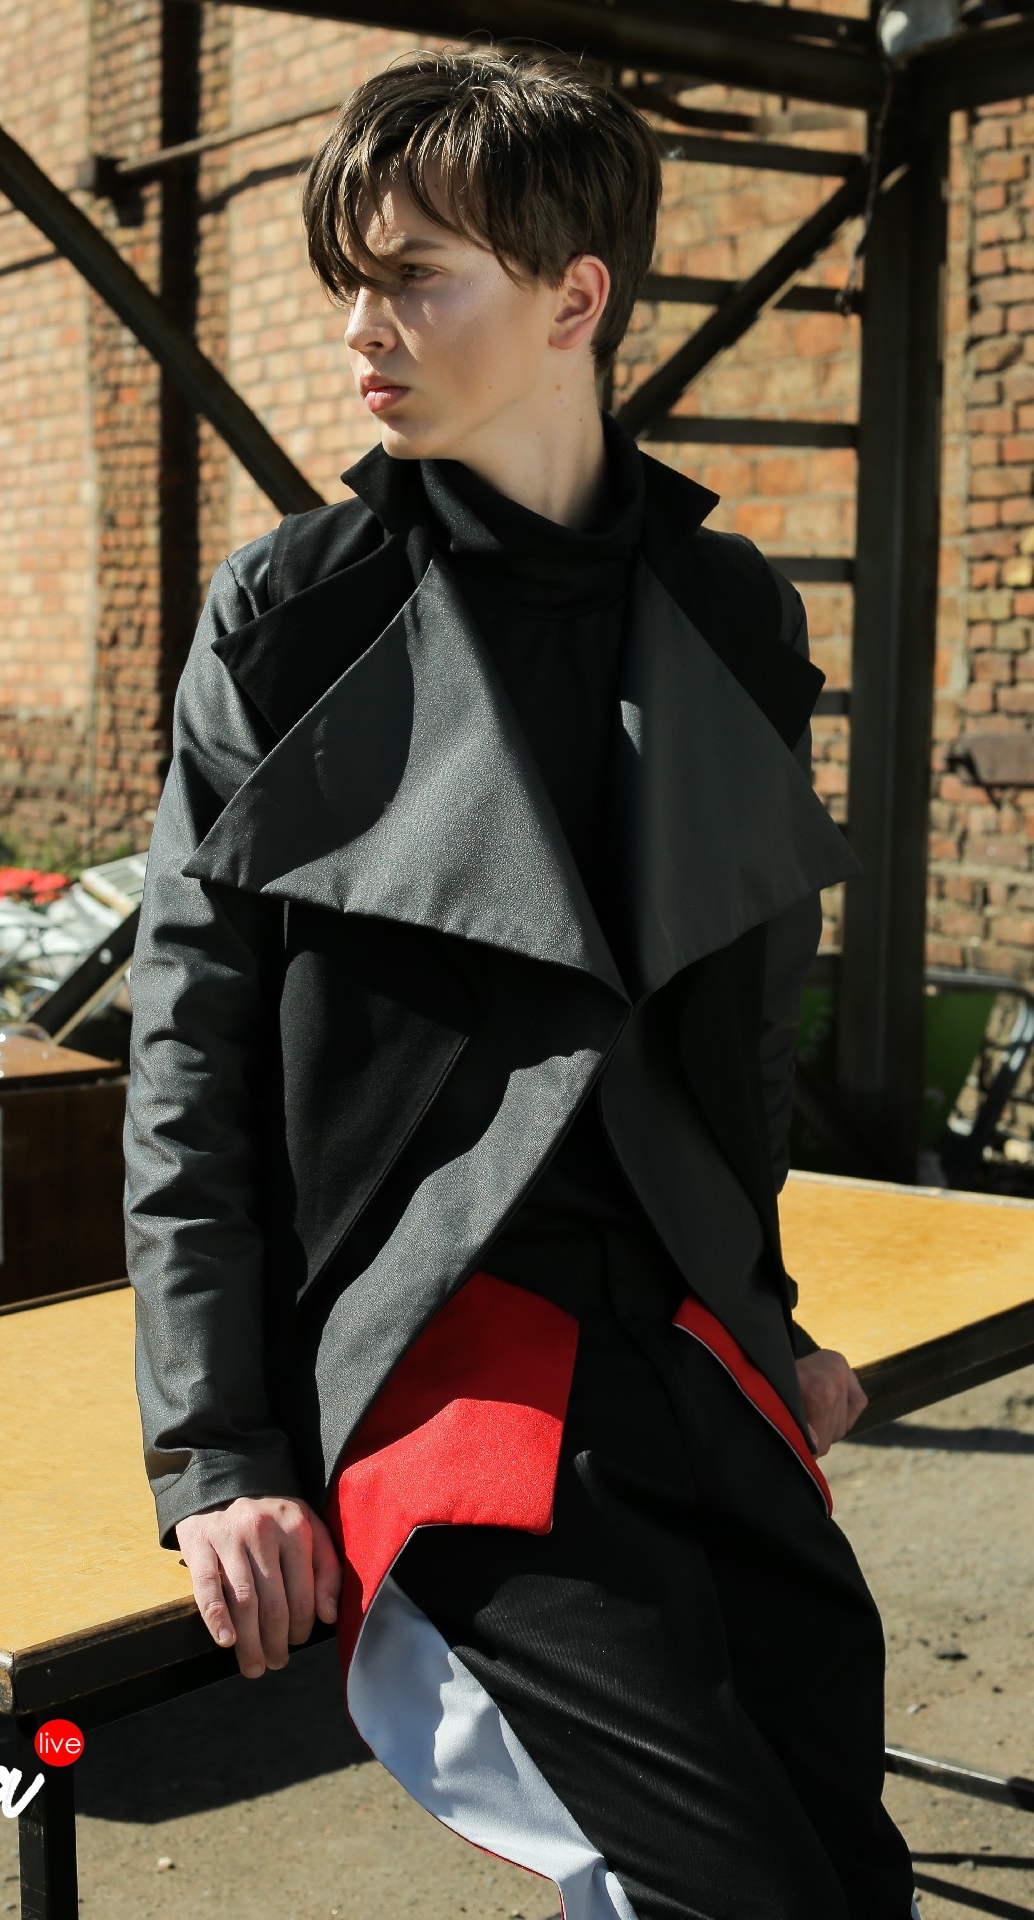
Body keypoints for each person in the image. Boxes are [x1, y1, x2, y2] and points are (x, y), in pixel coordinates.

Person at [124, 46, 918, 1920]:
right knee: (737, 1893)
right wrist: (219, 1451)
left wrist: (770, 1316)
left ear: (576, 301)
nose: (360, 328)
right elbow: (192, 1055)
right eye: (350, 279)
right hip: (444, 1356)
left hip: (692, 1342)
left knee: (848, 1868)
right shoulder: (290, 618)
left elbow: (736, 1030)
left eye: (414, 277)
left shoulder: (731, 613)